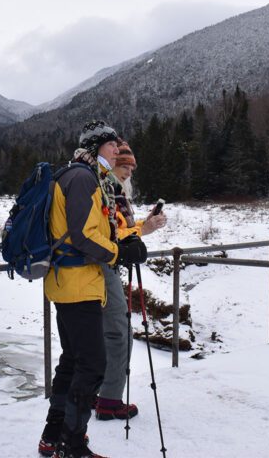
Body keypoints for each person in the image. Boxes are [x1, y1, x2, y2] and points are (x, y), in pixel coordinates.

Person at [37, 121, 148, 458]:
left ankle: (52, 437)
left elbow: (94, 230)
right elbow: (83, 237)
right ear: (97, 147)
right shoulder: (83, 178)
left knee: (72, 362)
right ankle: (72, 445)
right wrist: (119, 251)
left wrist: (126, 239)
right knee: (92, 365)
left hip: (70, 284)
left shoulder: (79, 176)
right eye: (112, 144)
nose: (117, 149)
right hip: (78, 285)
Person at [95, 141, 166, 421]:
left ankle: (96, 393)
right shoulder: (108, 190)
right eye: (123, 166)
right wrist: (143, 229)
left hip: (103, 267)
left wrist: (142, 228)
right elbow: (112, 235)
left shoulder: (113, 190)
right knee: (118, 334)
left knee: (103, 334)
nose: (127, 173)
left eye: (130, 168)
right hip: (104, 267)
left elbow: (121, 232)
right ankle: (109, 400)